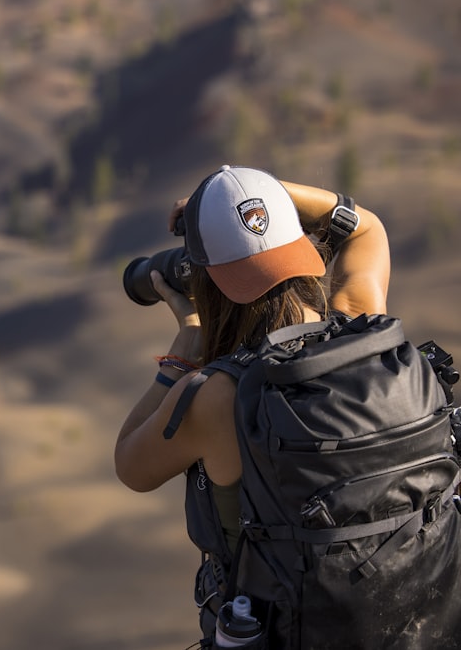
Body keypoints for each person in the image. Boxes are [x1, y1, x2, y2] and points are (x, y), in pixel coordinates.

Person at [113, 165, 390, 637]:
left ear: (207, 286)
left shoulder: (217, 396)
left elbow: (130, 465)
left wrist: (184, 351)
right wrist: (268, 199)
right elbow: (366, 226)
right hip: (404, 616)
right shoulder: (365, 330)